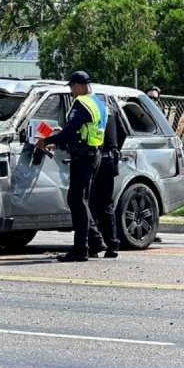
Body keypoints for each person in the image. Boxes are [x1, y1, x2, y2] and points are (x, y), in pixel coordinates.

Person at [36, 70, 107, 262]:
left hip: (83, 156)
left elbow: (70, 132)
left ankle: (80, 249)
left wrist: (47, 139)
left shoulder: (82, 103)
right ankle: (95, 241)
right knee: (81, 200)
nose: (71, 91)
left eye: (72, 87)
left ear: (80, 85)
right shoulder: (99, 103)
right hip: (94, 153)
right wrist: (59, 139)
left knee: (76, 200)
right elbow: (80, 131)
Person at [88, 102, 124, 259]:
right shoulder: (111, 109)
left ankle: (94, 245)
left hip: (96, 159)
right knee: (107, 204)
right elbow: (122, 132)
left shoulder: (89, 108)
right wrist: (114, 148)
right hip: (110, 159)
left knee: (90, 203)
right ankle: (112, 244)